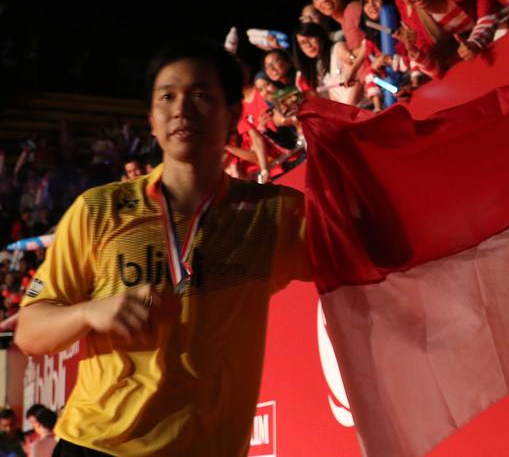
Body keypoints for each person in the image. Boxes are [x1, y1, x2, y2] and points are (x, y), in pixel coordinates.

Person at [15, 39, 308, 456]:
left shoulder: (273, 213)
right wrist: (90, 312)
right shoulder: (99, 209)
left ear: (233, 115)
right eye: (167, 97)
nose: (181, 109)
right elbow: (29, 330)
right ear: (152, 121)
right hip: (98, 445)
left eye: (201, 95)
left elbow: (375, 253)